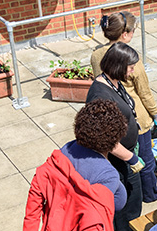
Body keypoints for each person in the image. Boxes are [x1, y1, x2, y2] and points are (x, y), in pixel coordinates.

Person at [94, 11, 157, 202]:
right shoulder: (131, 59)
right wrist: (155, 115)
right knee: (145, 158)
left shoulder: (96, 55)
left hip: (114, 116)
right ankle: (150, 192)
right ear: (125, 34)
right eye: (133, 31)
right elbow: (144, 92)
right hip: (136, 117)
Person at [24, 99, 127, 230]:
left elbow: (34, 200)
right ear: (115, 139)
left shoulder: (65, 150)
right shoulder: (108, 175)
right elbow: (108, 208)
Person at [86, 42, 144, 231]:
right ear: (118, 66)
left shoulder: (114, 82)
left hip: (126, 157)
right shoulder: (100, 96)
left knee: (135, 202)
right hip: (117, 162)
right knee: (123, 209)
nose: (133, 71)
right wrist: (131, 158)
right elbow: (103, 139)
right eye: (130, 67)